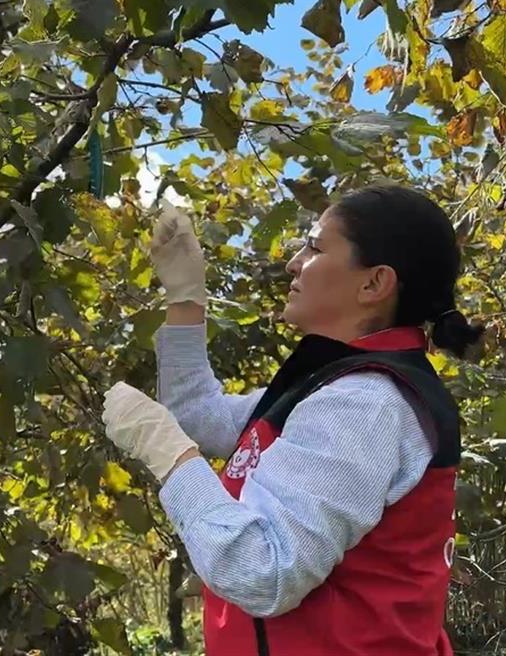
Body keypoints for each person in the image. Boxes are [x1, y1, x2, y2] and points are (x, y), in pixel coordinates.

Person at [101, 184, 484, 656]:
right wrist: (185, 297)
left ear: (373, 284)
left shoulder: (366, 405)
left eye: (316, 246)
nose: (294, 262)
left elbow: (263, 571)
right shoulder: (332, 387)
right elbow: (198, 415)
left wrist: (167, 452)